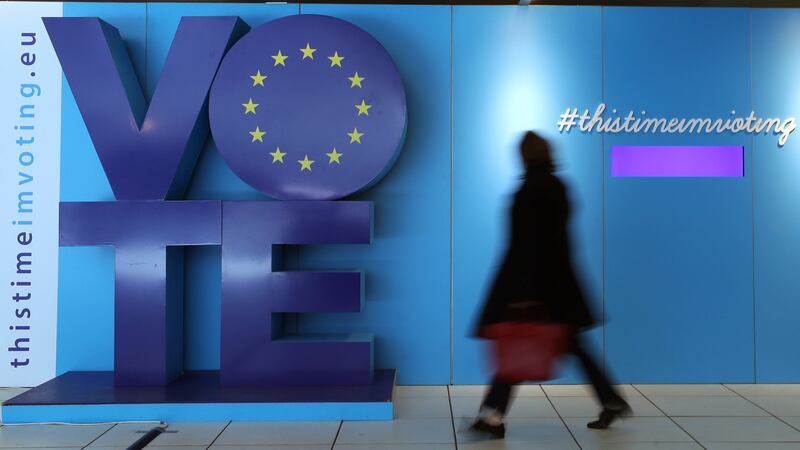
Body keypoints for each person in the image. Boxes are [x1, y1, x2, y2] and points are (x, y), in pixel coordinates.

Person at [471, 131, 631, 439]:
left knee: (515, 344)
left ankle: (492, 416)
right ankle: (611, 400)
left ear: (523, 156)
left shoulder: (528, 191)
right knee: (572, 347)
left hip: (533, 287)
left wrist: (522, 295)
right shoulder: (559, 186)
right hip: (561, 286)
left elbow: (526, 248)